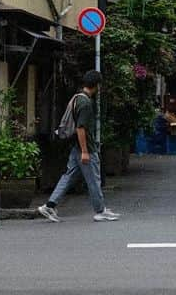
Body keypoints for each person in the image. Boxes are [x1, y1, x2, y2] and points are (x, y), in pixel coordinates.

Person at [37, 70, 119, 223]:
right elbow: (80, 128)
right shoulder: (86, 103)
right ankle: (100, 210)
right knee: (94, 180)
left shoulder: (77, 98)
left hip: (76, 147)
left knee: (68, 176)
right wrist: (85, 151)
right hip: (84, 147)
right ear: (96, 86)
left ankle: (50, 205)